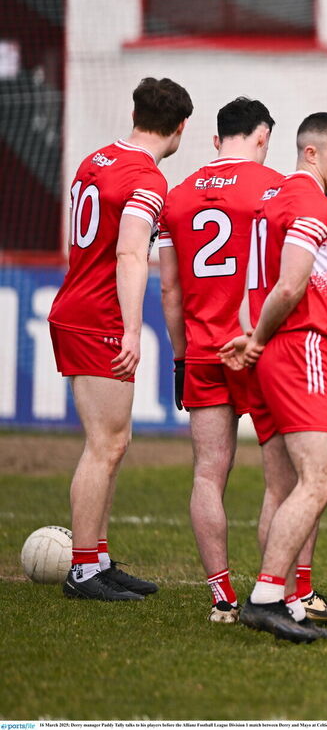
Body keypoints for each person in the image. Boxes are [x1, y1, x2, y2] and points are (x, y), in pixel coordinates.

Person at [49, 77, 192, 601]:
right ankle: (83, 570)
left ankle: (98, 557)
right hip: (97, 318)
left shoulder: (97, 159)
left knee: (114, 442)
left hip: (78, 307)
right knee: (104, 445)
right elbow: (130, 254)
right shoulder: (148, 179)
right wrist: (132, 328)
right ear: (180, 128)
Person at [219, 112, 327, 643]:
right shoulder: (308, 201)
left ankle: (287, 598)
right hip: (297, 344)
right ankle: (268, 596)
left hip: (271, 350)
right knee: (321, 479)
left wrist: (254, 337)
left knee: (282, 486)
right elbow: (292, 283)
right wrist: (256, 337)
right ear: (310, 153)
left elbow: (254, 277)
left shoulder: (272, 200)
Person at [159, 97, 287, 622]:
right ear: (262, 137)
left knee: (208, 475)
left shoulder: (178, 196)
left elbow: (169, 290)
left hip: (205, 350)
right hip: (257, 348)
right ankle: (275, 590)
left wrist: (181, 357)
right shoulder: (276, 188)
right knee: (282, 481)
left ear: (215, 140)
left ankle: (221, 597)